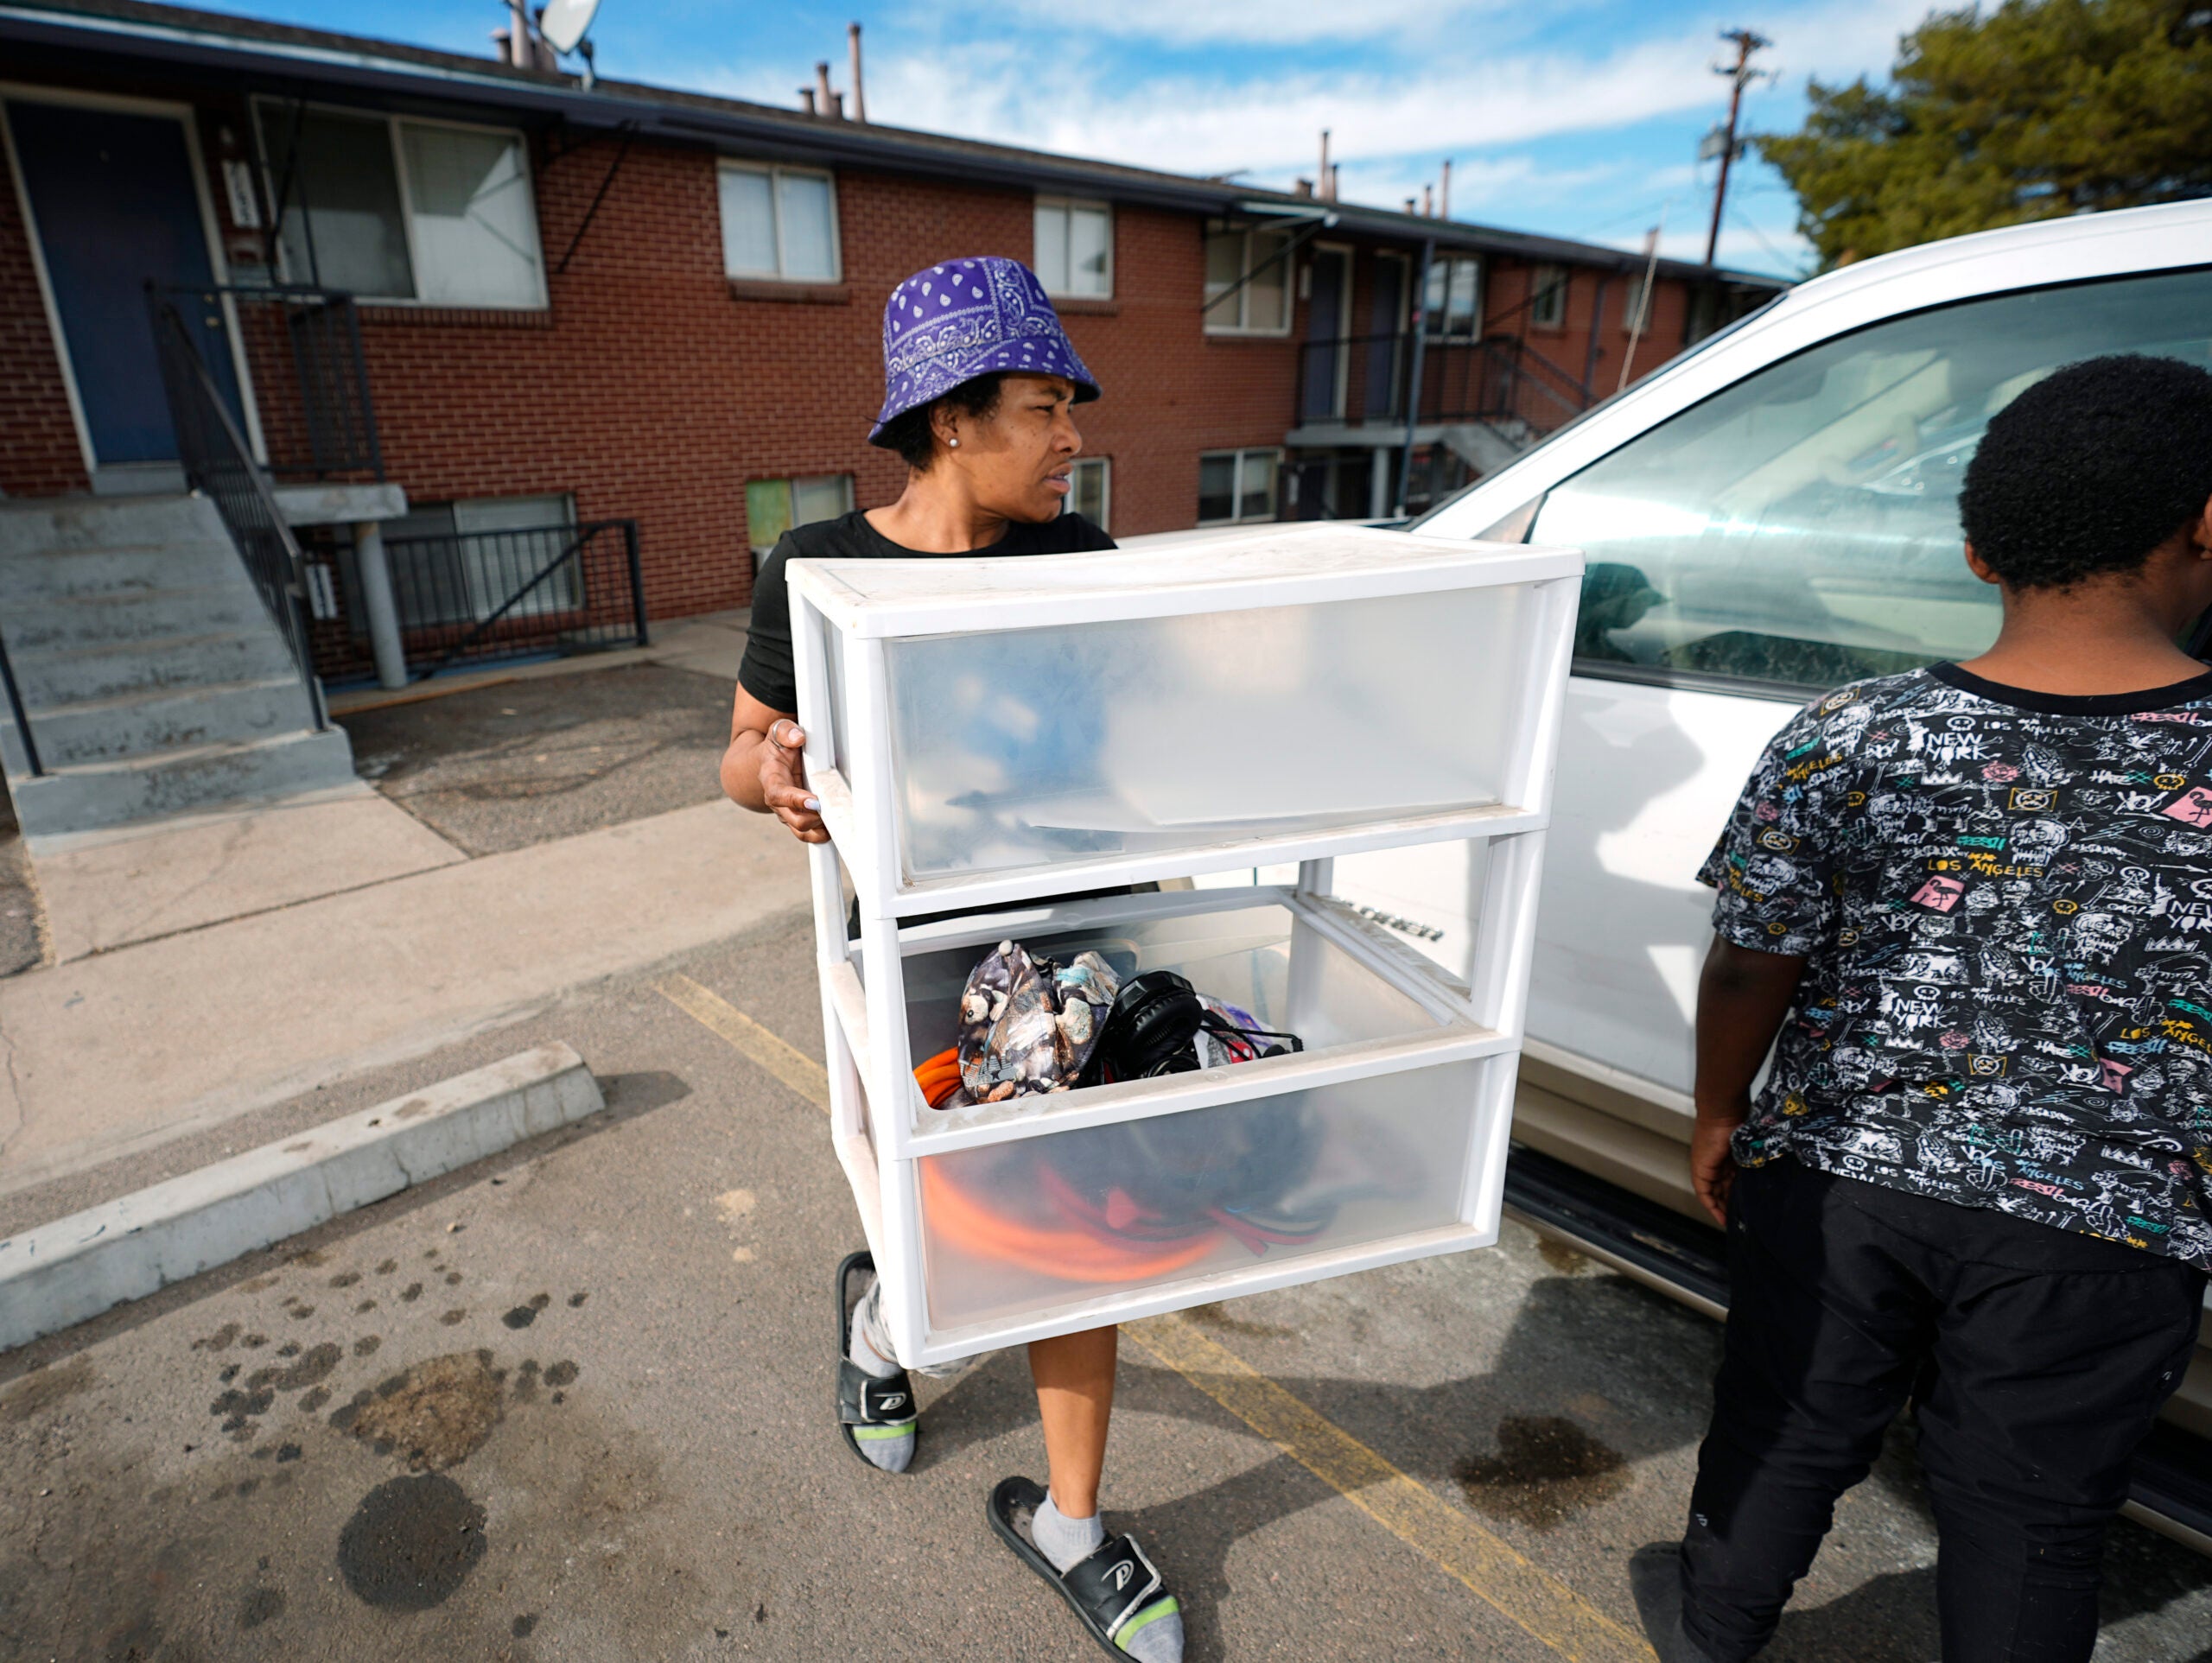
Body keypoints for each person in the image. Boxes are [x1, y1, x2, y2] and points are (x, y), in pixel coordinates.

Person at [1631, 353, 2212, 1663]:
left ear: (1972, 552)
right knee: (2033, 1508)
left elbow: (1749, 958)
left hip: (1844, 1179)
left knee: (1791, 1413)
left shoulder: (1850, 733)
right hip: (2103, 1222)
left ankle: (1713, 1623)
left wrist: (1720, 1110)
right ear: (2209, 520)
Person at [719, 256, 1184, 1663]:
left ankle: (1075, 1523)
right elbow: (736, 755)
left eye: (1068, 409)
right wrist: (781, 775)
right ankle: (880, 1324)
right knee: (952, 1217)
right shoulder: (816, 565)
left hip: (1080, 940)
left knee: (1082, 1227)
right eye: (1045, 407)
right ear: (950, 418)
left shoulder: (1077, 559)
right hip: (916, 951)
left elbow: (1142, 733)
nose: (1073, 436)